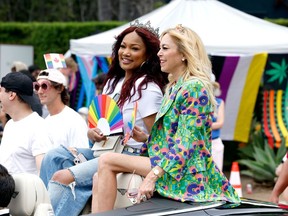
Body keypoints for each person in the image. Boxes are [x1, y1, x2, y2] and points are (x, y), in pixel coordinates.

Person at [91, 24, 240, 213]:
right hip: (168, 163)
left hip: (185, 172)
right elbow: (174, 137)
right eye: (160, 48)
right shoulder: (174, 86)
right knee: (101, 170)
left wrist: (152, 176)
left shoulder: (193, 87)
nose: (159, 54)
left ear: (184, 54)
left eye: (165, 48)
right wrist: (146, 138)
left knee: (106, 160)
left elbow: (187, 142)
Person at [39, 21, 168, 216]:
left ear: (148, 55)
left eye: (134, 48)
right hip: (103, 149)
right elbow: (103, 122)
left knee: (62, 176)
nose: (126, 52)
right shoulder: (113, 82)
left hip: (130, 155)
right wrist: (92, 133)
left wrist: (143, 138)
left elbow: (160, 139)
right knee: (54, 156)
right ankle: (49, 206)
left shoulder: (147, 88)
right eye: (123, 46)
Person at [0, 72, 52, 175]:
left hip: (27, 191)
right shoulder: (10, 124)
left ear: (11, 95)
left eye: (0, 91)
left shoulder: (38, 127)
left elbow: (45, 175)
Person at [35, 68, 89, 149]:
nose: (40, 91)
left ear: (60, 88)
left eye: (44, 86)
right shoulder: (45, 122)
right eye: (37, 86)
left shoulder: (74, 121)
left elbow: (82, 156)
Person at [211, 80, 225, 171]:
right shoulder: (197, 102)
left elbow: (220, 123)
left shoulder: (219, 102)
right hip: (200, 142)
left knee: (217, 171)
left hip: (214, 142)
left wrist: (201, 125)